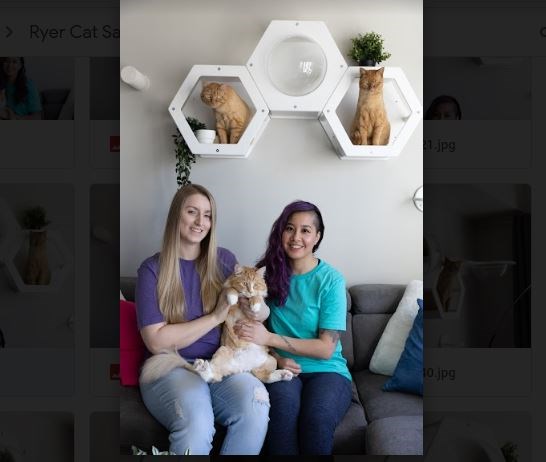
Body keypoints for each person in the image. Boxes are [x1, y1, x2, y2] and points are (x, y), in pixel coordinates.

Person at [135, 184, 270, 455]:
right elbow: (157, 341)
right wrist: (216, 316)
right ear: (176, 216)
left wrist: (258, 309)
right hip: (172, 366)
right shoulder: (151, 270)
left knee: (256, 403)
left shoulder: (224, 260)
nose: (200, 222)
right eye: (192, 212)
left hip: (221, 362)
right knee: (198, 423)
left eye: (207, 215)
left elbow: (260, 311)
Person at [235, 200, 352, 455]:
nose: (296, 237)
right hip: (282, 368)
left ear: (317, 237)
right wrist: (277, 358)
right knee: (281, 415)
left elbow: (325, 349)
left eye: (306, 230)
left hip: (328, 372)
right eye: (290, 228)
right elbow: (256, 332)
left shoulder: (331, 280)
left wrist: (272, 340)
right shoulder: (266, 275)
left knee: (316, 420)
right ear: (281, 232)